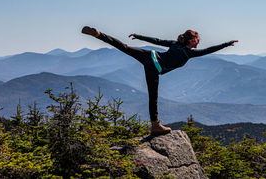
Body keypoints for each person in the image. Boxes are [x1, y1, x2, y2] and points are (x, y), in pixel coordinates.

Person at [82, 26, 238, 135]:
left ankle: (99, 34)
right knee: (153, 97)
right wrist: (225, 44)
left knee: (124, 47)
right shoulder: (188, 53)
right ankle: (155, 125)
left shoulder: (175, 44)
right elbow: (209, 50)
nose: (199, 42)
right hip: (154, 68)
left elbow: (157, 40)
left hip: (149, 56)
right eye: (197, 39)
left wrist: (139, 37)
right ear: (192, 40)